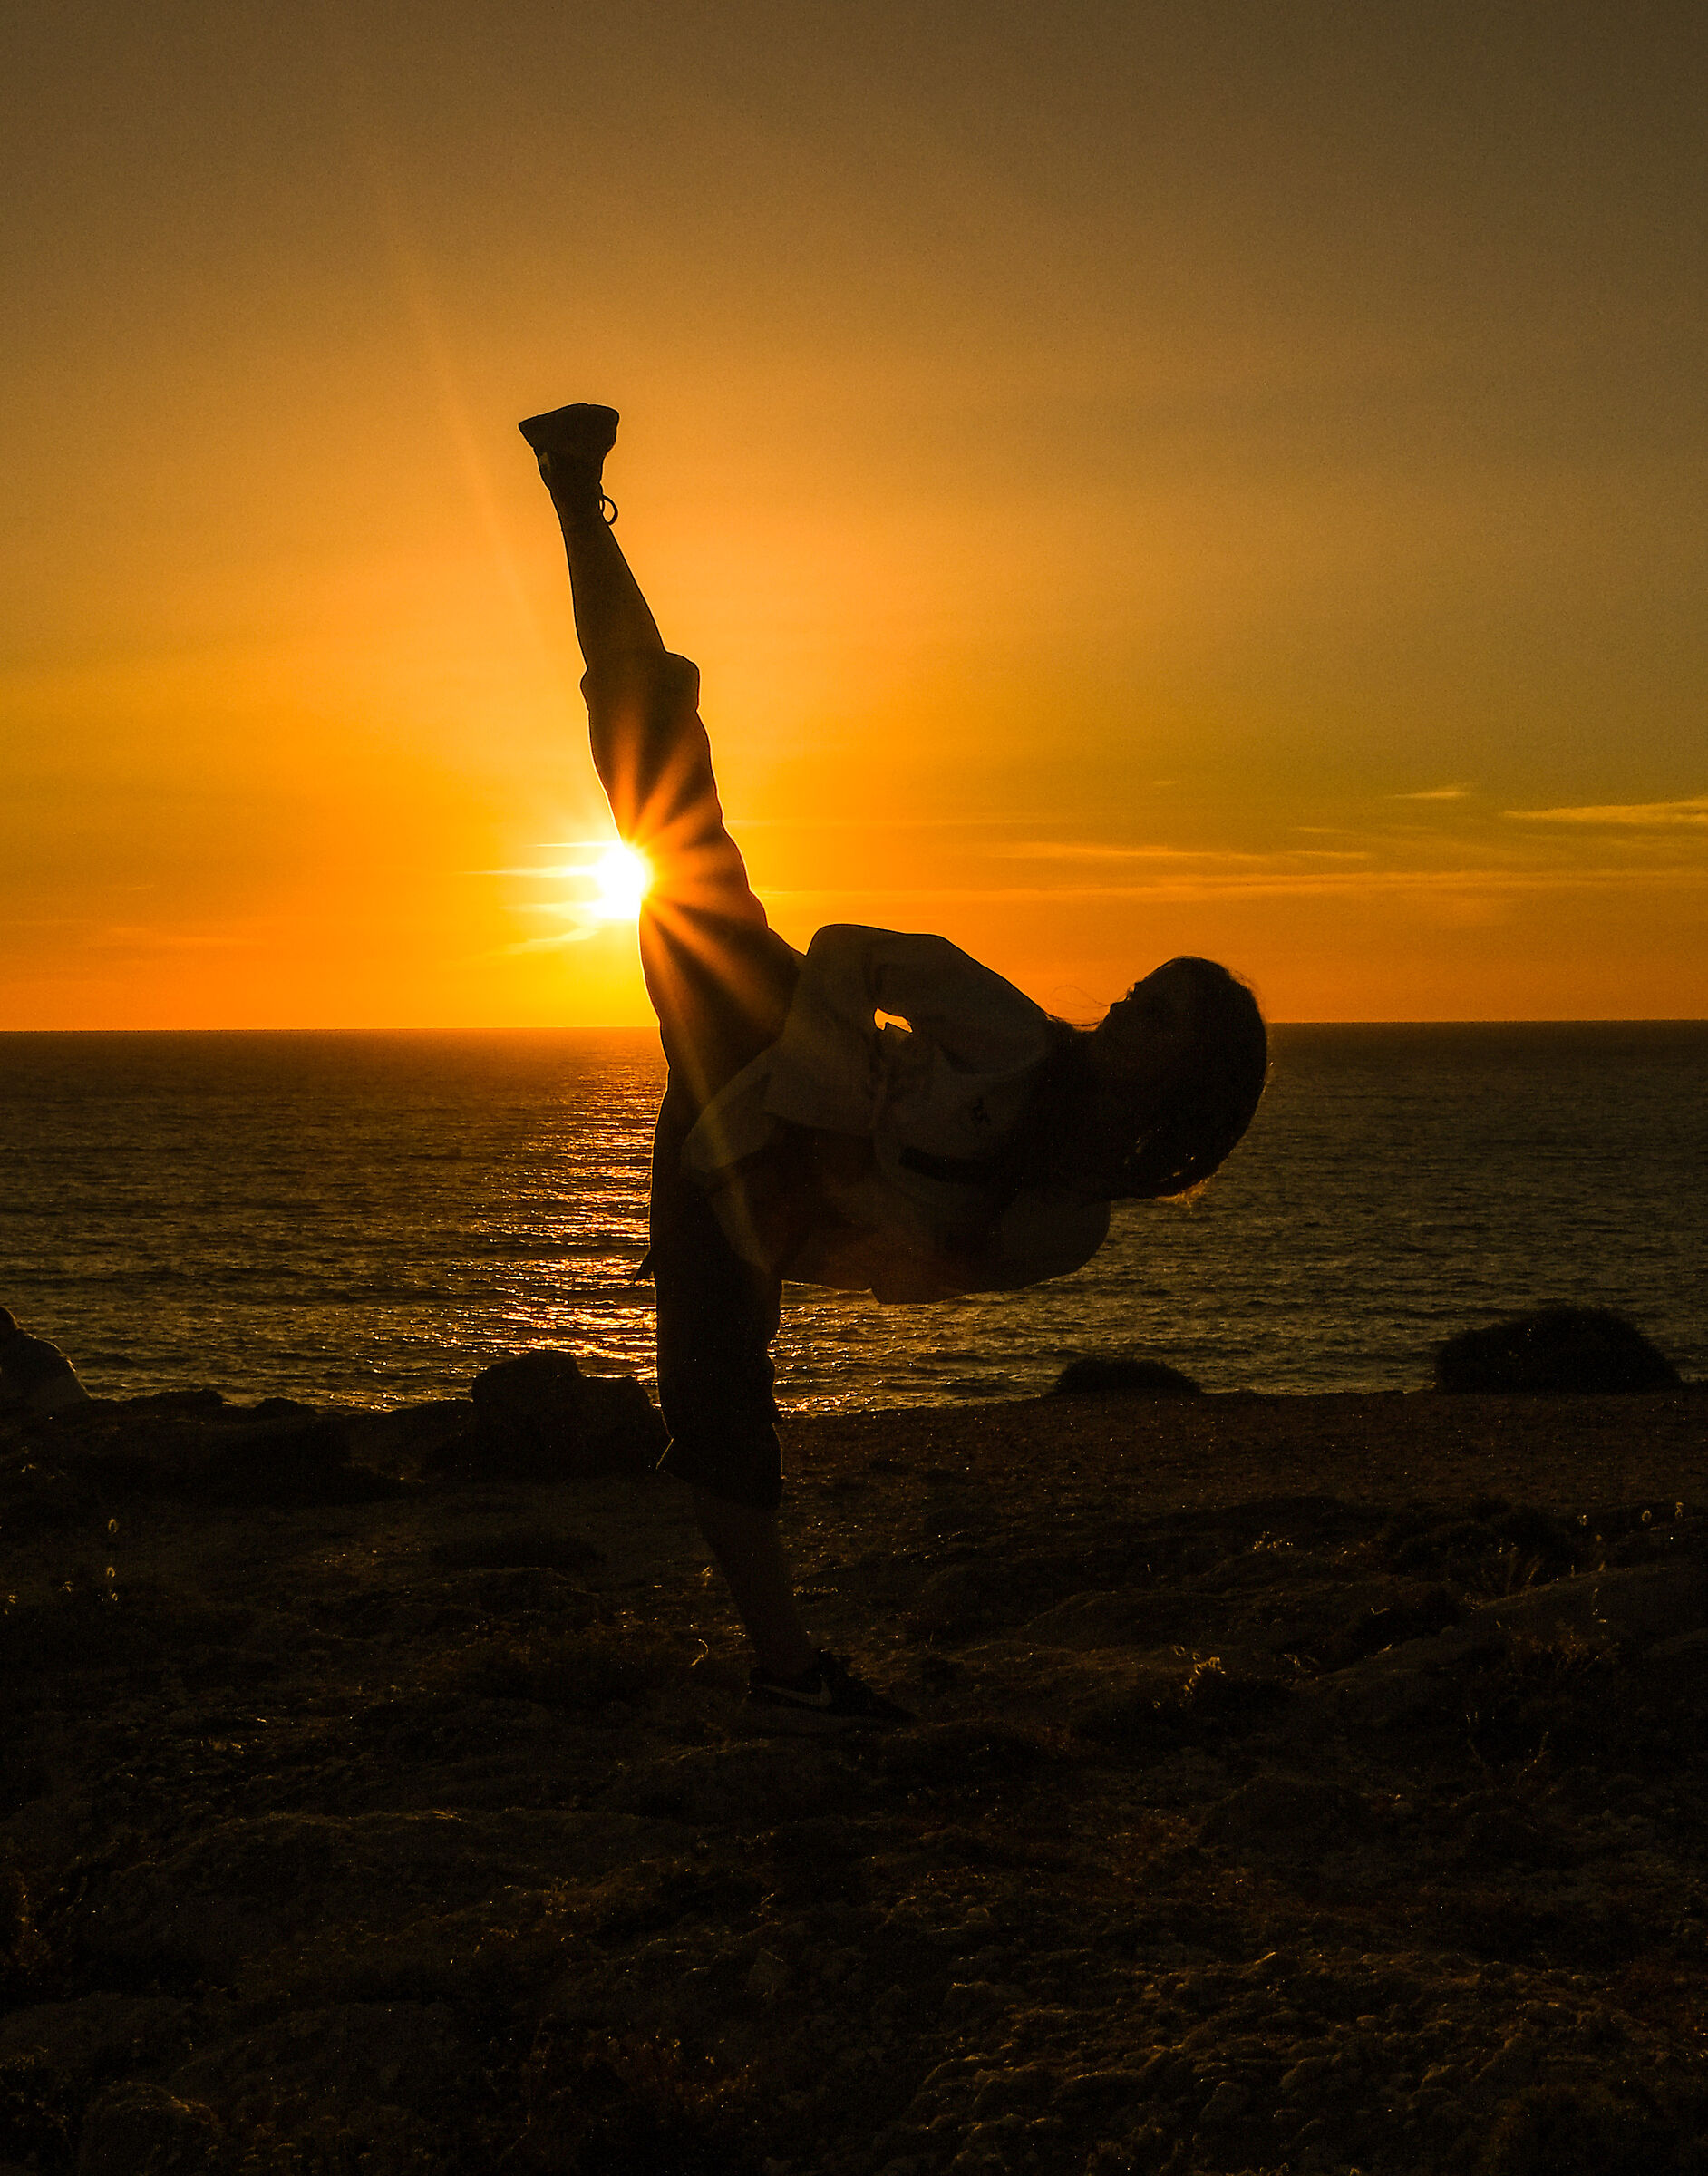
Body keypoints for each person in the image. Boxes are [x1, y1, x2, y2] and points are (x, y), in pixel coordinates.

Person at [519, 403, 1267, 1723]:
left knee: (718, 1412)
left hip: (744, 1188)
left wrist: (791, 1219)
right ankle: (575, 495)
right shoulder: (1008, 1031)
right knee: (653, 759)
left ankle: (785, 1674)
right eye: (1143, 989)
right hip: (760, 1025)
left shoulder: (1065, 1224)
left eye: (1159, 1018)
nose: (1124, 1011)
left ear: (1186, 1087)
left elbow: (906, 1278)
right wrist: (813, 1114)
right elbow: (850, 947)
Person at [0, 1307, 92, 1417]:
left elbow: (12, 1401)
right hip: (83, 1408)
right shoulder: (44, 1346)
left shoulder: (10, 1356)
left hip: (60, 1416)